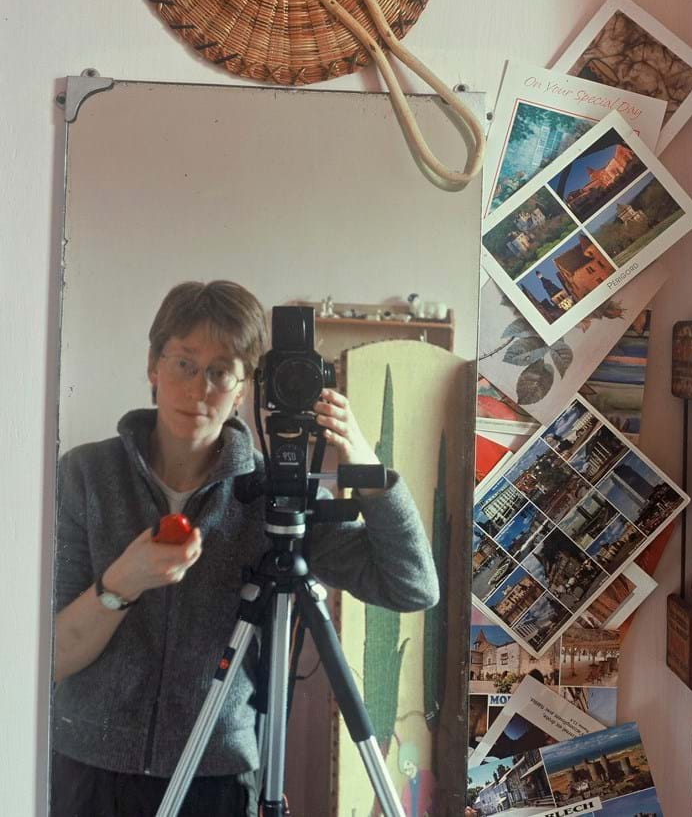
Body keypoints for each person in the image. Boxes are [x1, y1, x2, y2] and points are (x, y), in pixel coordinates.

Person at [51, 280, 440, 817]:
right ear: (152, 367)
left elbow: (412, 585)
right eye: (184, 363)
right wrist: (124, 580)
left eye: (221, 371)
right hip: (89, 767)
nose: (199, 388)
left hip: (216, 775)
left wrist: (368, 468)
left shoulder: (273, 496)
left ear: (242, 389)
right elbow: (48, 656)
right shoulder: (85, 477)